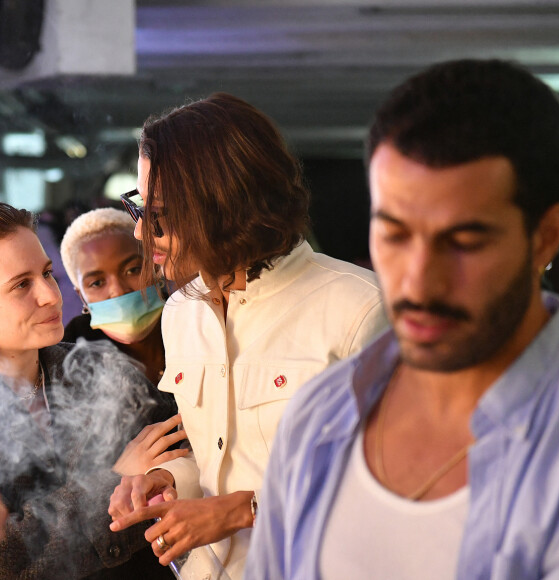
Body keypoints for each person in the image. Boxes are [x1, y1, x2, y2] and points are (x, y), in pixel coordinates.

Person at [244, 59, 559, 579]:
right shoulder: (322, 414)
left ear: (546, 237)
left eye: (465, 242)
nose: (420, 281)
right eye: (395, 235)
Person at [107, 92, 388, 579]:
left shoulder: (360, 309)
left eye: (162, 214)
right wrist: (165, 480)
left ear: (224, 204)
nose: (141, 234)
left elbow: (400, 485)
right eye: (140, 208)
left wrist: (242, 511)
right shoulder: (181, 312)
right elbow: (215, 456)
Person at [0, 202, 179, 579]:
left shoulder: (105, 371)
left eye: (47, 274)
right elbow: (10, 558)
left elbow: (185, 457)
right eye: (21, 285)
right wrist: (116, 480)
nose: (50, 295)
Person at [61, 207, 167, 386]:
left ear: (155, 268)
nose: (118, 290)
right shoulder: (68, 359)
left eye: (133, 270)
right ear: (82, 297)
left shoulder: (195, 320)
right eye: (97, 283)